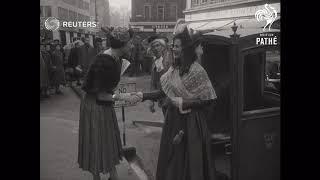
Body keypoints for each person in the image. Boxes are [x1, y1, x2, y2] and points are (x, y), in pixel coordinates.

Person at [131, 26, 217, 180]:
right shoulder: (173, 69)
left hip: (192, 125)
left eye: (177, 46)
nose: (173, 49)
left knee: (189, 162)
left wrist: (183, 102)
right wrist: (141, 95)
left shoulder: (197, 70)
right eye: (173, 46)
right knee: (172, 160)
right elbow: (163, 92)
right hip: (173, 121)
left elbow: (208, 99)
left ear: (185, 48)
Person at [78, 27, 134, 180]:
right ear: (122, 44)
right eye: (130, 43)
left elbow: (107, 90)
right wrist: (126, 97)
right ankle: (98, 176)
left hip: (102, 104)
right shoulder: (104, 61)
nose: (132, 46)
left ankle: (112, 174)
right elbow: (102, 96)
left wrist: (120, 95)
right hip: (95, 106)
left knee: (107, 139)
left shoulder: (115, 59)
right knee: (98, 140)